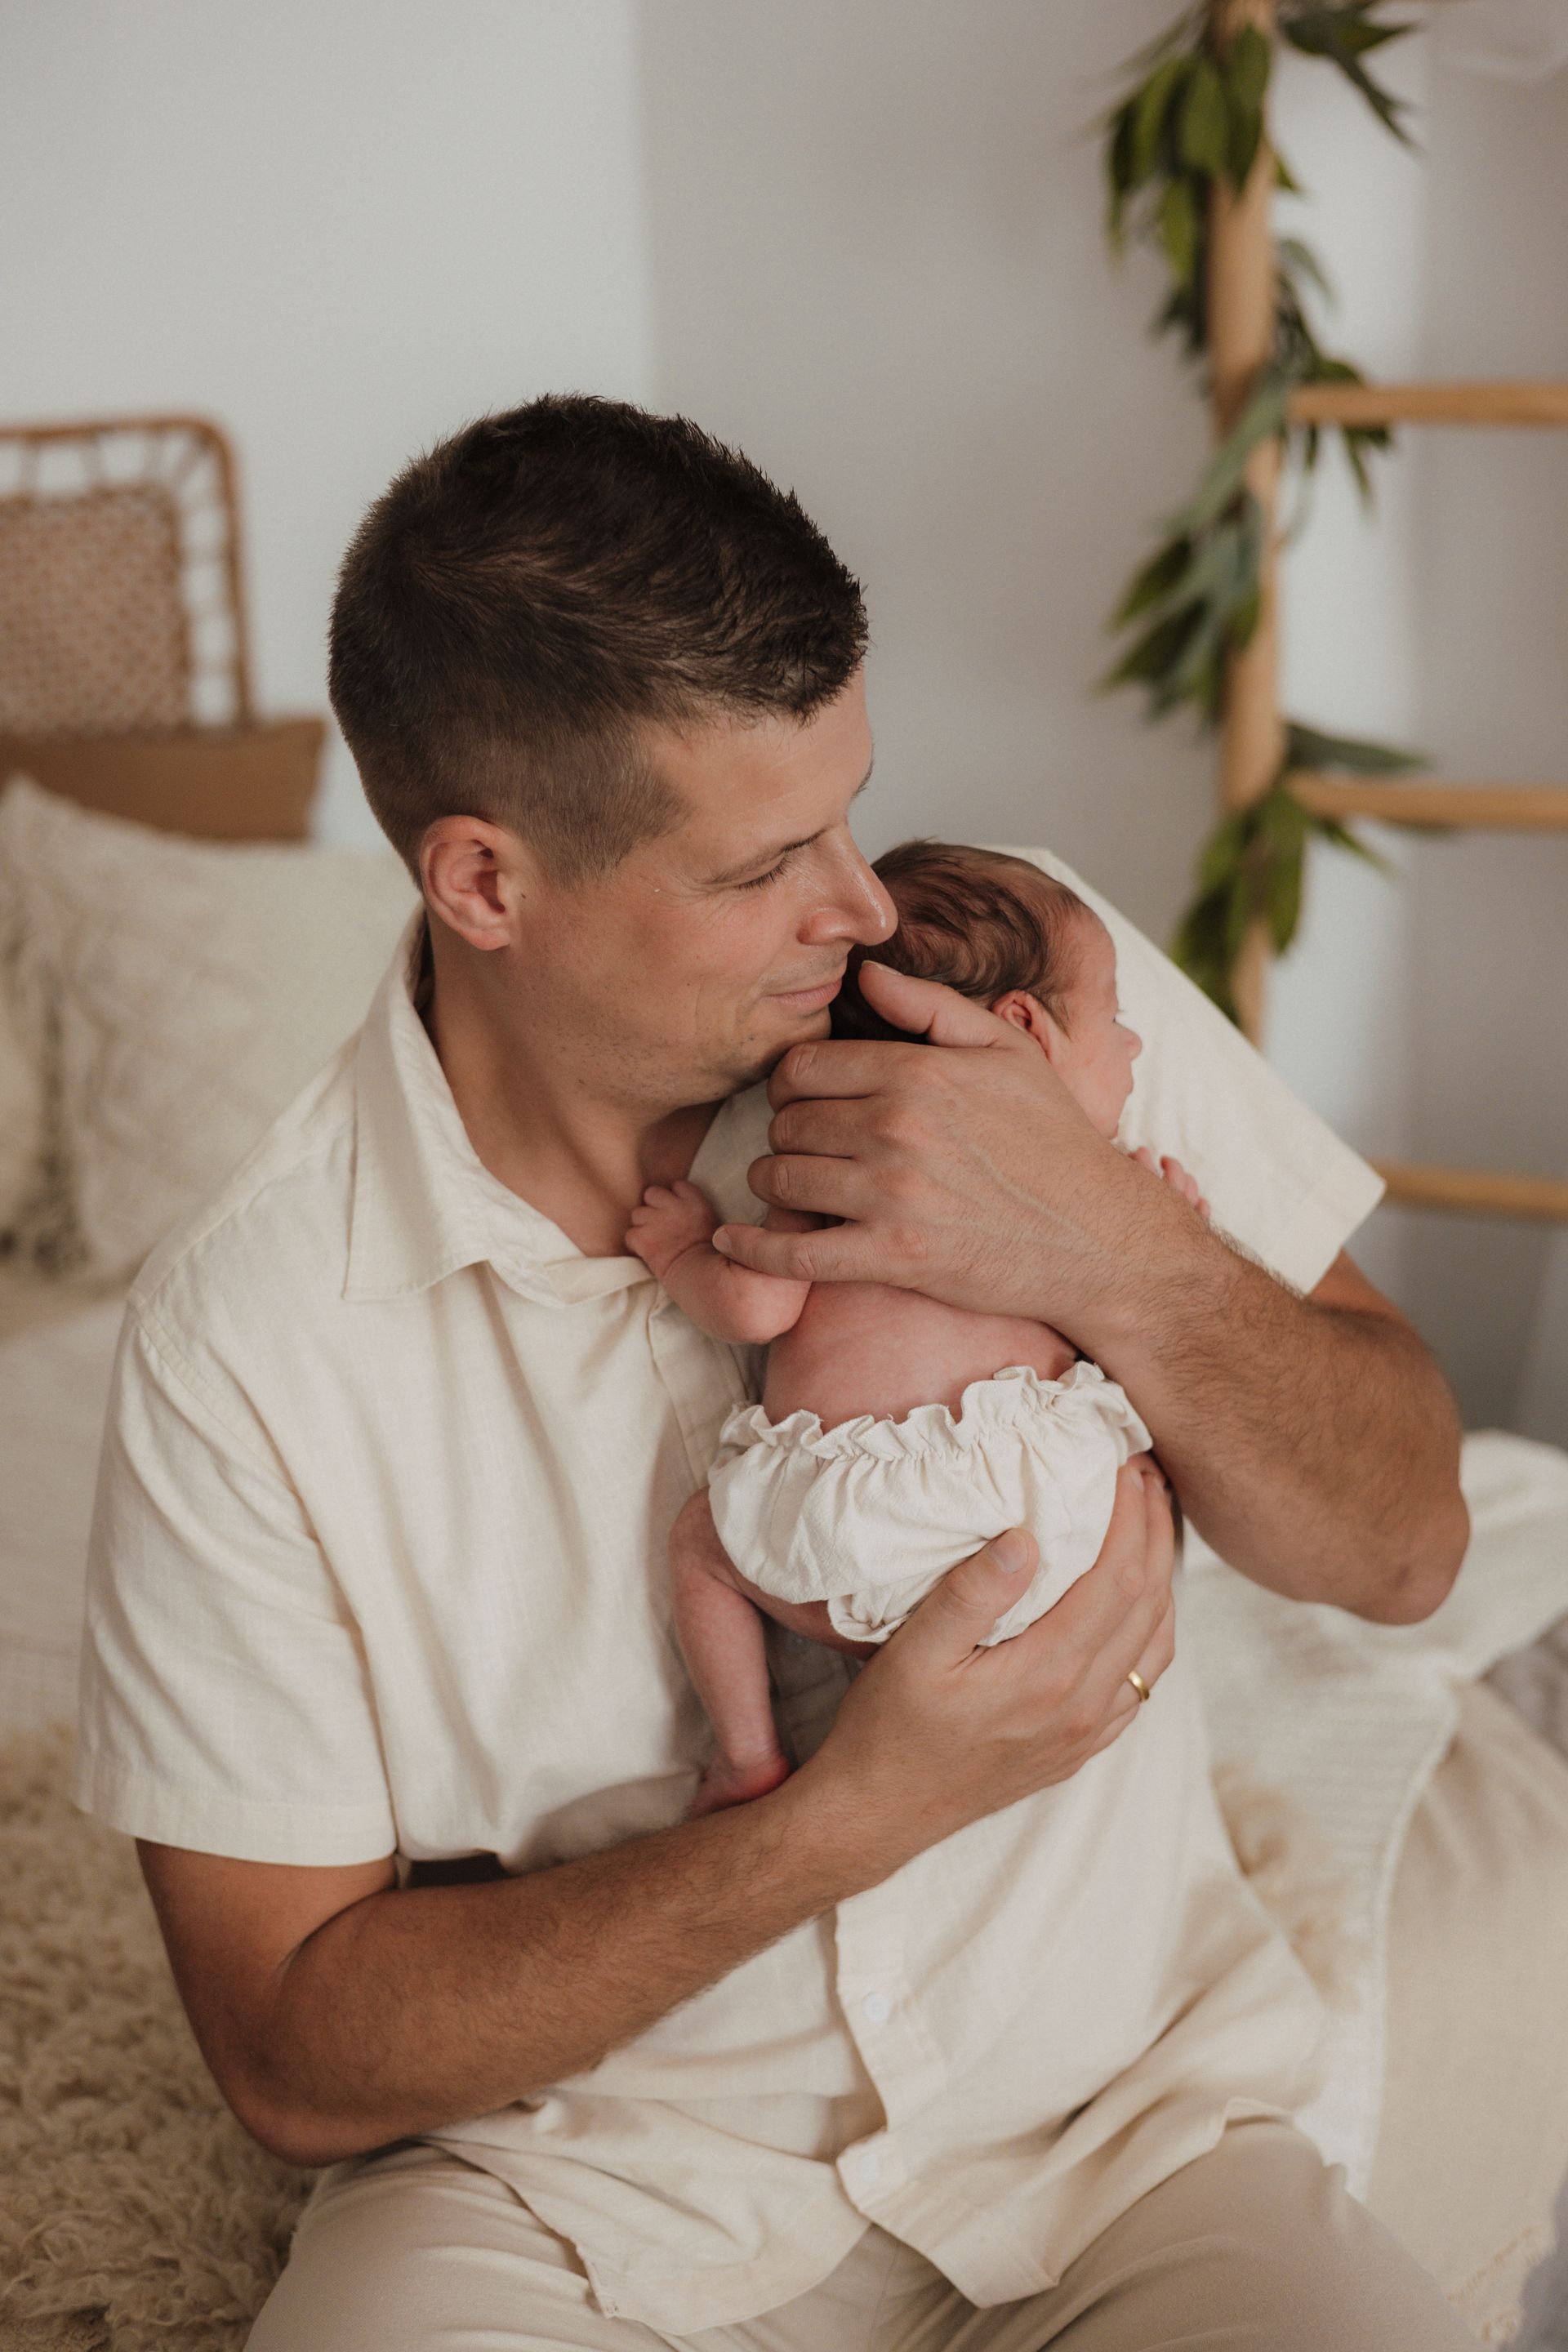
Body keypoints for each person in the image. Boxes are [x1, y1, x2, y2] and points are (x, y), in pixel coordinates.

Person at [74, 394, 1474, 2350]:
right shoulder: (248, 1344)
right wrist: (837, 1819)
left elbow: (1407, 1543)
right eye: (762, 867)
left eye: (849, 802)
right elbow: (294, 2047)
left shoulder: (1014, 993)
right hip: (569, 2196)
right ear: (485, 885)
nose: (864, 902)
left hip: (1121, 2142)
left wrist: (1097, 1230)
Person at [628, 840, 1200, 1816]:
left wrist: (682, 1251)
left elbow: (759, 1307)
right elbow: (1132, 1326)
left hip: (858, 1536)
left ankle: (748, 1756)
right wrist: (1160, 1225)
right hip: (1052, 1529)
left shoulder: (835, 1162)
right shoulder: (1078, 1190)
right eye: (1116, 1021)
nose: (1136, 1047)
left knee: (701, 1544)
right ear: (1025, 1026)